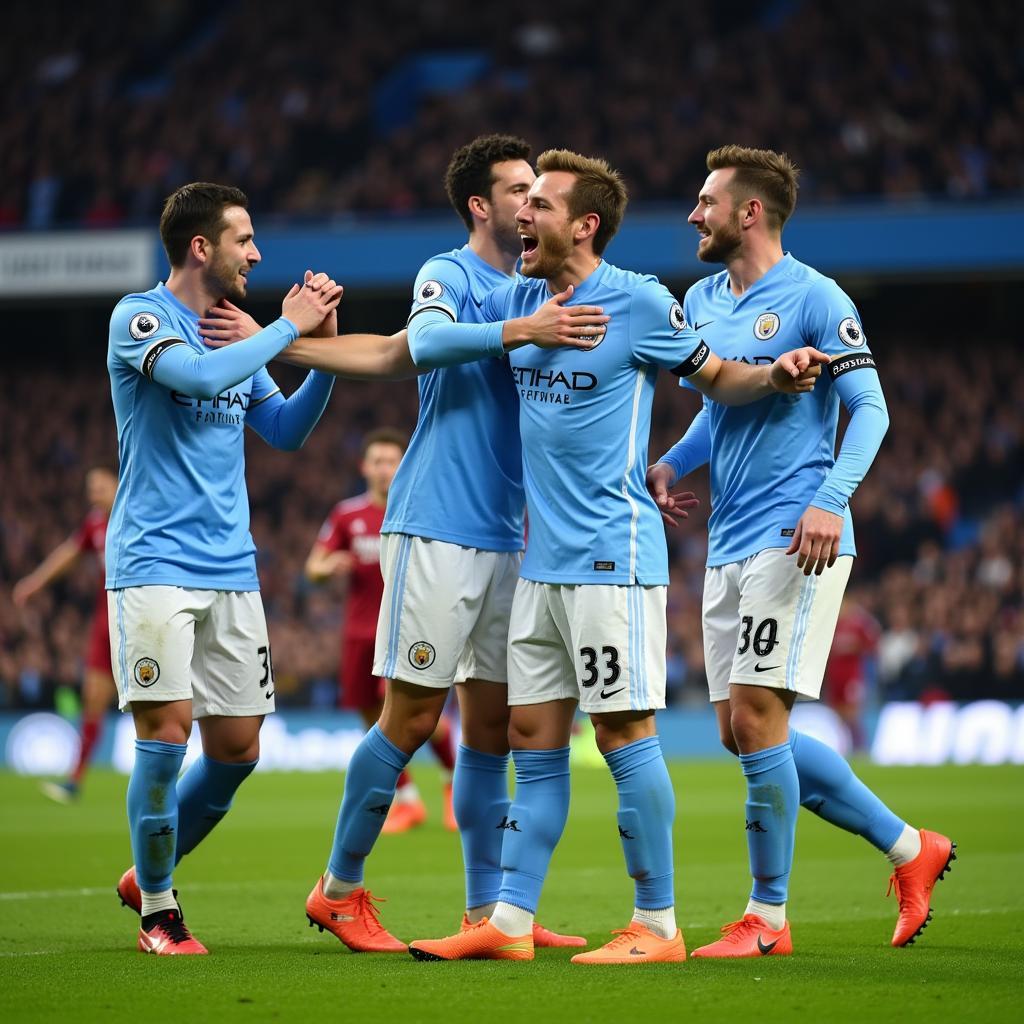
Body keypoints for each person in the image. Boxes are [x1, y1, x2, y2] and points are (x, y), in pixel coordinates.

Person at [402, 149, 828, 965]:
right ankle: (511, 921)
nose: (523, 216)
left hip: (611, 556)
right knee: (533, 735)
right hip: (540, 561)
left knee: (623, 732)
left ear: (584, 224)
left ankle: (657, 924)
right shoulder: (522, 298)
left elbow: (716, 377)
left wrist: (773, 375)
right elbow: (429, 338)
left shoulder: (635, 302)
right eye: (520, 205)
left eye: (542, 207)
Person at [647, 145, 955, 958]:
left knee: (757, 717)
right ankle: (908, 847)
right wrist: (672, 463)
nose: (692, 215)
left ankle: (769, 918)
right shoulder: (702, 299)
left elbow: (872, 409)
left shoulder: (817, 297)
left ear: (748, 211)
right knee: (740, 732)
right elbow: (719, 406)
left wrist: (829, 499)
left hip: (798, 532)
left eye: (705, 201)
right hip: (729, 540)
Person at [106, 181, 342, 955]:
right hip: (155, 564)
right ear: (202, 246)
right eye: (245, 239)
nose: (258, 252)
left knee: (238, 749)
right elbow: (201, 379)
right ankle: (160, 913)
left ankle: (148, 868)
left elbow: (284, 430)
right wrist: (285, 326)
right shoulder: (141, 318)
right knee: (167, 736)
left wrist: (325, 354)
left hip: (231, 568)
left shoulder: (236, 332)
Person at [305, 428, 459, 833]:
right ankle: (407, 801)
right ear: (364, 467)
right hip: (358, 631)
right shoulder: (347, 515)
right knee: (371, 718)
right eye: (377, 461)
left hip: (405, 627)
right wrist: (328, 567)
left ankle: (453, 785)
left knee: (411, 714)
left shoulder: (419, 511)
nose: (384, 469)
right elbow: (314, 567)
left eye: (392, 461)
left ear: (403, 465)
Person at [14, 466, 117, 802]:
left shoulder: (139, 513)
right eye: (91, 488)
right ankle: (75, 779)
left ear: (119, 483)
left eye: (101, 486)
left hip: (141, 620)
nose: (94, 493)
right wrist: (35, 582)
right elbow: (70, 553)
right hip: (106, 622)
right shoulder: (96, 522)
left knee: (154, 702)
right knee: (93, 698)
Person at [824, 593, 881, 750]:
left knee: (853, 714)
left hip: (852, 677)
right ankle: (846, 747)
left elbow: (872, 644)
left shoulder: (859, 624)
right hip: (835, 678)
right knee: (838, 715)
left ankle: (861, 747)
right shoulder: (833, 625)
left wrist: (855, 648)